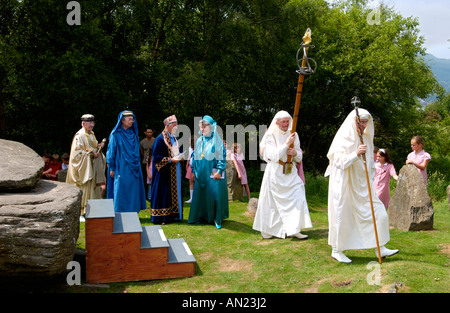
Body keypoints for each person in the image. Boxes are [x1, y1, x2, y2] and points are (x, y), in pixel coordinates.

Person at [325, 108, 398, 263]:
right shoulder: (343, 139)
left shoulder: (366, 139)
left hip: (363, 184)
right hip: (344, 182)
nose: (364, 125)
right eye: (361, 122)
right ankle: (336, 250)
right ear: (354, 122)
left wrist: (370, 179)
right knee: (342, 215)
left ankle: (380, 246)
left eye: (366, 122)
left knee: (379, 213)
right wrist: (355, 153)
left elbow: (371, 165)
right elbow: (338, 162)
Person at [253, 111, 312, 239]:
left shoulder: (294, 134)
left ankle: (294, 229)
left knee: (298, 193)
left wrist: (295, 152)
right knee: (272, 203)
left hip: (290, 171)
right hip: (275, 171)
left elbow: (299, 156)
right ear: (277, 122)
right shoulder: (270, 135)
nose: (286, 124)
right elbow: (272, 155)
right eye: (283, 122)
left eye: (287, 121)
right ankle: (269, 230)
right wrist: (286, 145)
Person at [188, 115, 229, 229]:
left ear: (211, 127)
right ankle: (200, 217)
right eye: (201, 127)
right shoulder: (199, 140)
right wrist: (193, 170)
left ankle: (217, 219)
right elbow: (195, 156)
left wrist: (220, 170)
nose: (202, 129)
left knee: (214, 196)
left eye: (205, 127)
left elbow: (221, 156)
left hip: (213, 173)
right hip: (200, 173)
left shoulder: (217, 140)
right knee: (201, 196)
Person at [66, 114, 106, 221]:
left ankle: (92, 211)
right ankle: (80, 212)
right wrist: (91, 153)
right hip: (83, 170)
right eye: (90, 123)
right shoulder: (79, 136)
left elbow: (93, 149)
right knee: (83, 189)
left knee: (93, 189)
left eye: (93, 123)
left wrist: (98, 148)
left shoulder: (92, 135)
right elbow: (76, 154)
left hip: (92, 167)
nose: (92, 125)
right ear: (83, 124)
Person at [106, 110, 147, 213]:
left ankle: (133, 212)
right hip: (121, 166)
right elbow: (111, 152)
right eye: (129, 119)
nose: (131, 121)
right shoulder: (116, 134)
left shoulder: (133, 134)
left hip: (134, 168)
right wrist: (111, 167)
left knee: (133, 190)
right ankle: (119, 212)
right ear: (122, 121)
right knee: (121, 189)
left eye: (132, 119)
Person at [150, 115, 184, 224]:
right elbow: (156, 156)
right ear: (167, 125)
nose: (176, 127)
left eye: (176, 125)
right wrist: (170, 160)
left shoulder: (175, 138)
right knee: (163, 194)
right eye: (174, 125)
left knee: (174, 193)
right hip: (163, 172)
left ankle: (174, 216)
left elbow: (180, 151)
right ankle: (162, 217)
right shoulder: (160, 139)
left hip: (175, 171)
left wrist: (182, 156)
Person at [140, 128, 155, 195]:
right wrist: (146, 158)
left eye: (150, 132)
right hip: (145, 162)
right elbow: (142, 151)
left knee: (154, 178)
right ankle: (146, 195)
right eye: (148, 132)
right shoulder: (142, 142)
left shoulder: (155, 140)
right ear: (145, 133)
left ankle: (153, 194)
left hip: (153, 162)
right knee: (145, 179)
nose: (149, 134)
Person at [185, 135, 195, 203]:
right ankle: (191, 198)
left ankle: (196, 197)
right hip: (190, 165)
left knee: (195, 181)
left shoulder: (198, 147)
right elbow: (189, 155)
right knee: (190, 182)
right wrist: (187, 164)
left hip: (196, 166)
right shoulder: (190, 147)